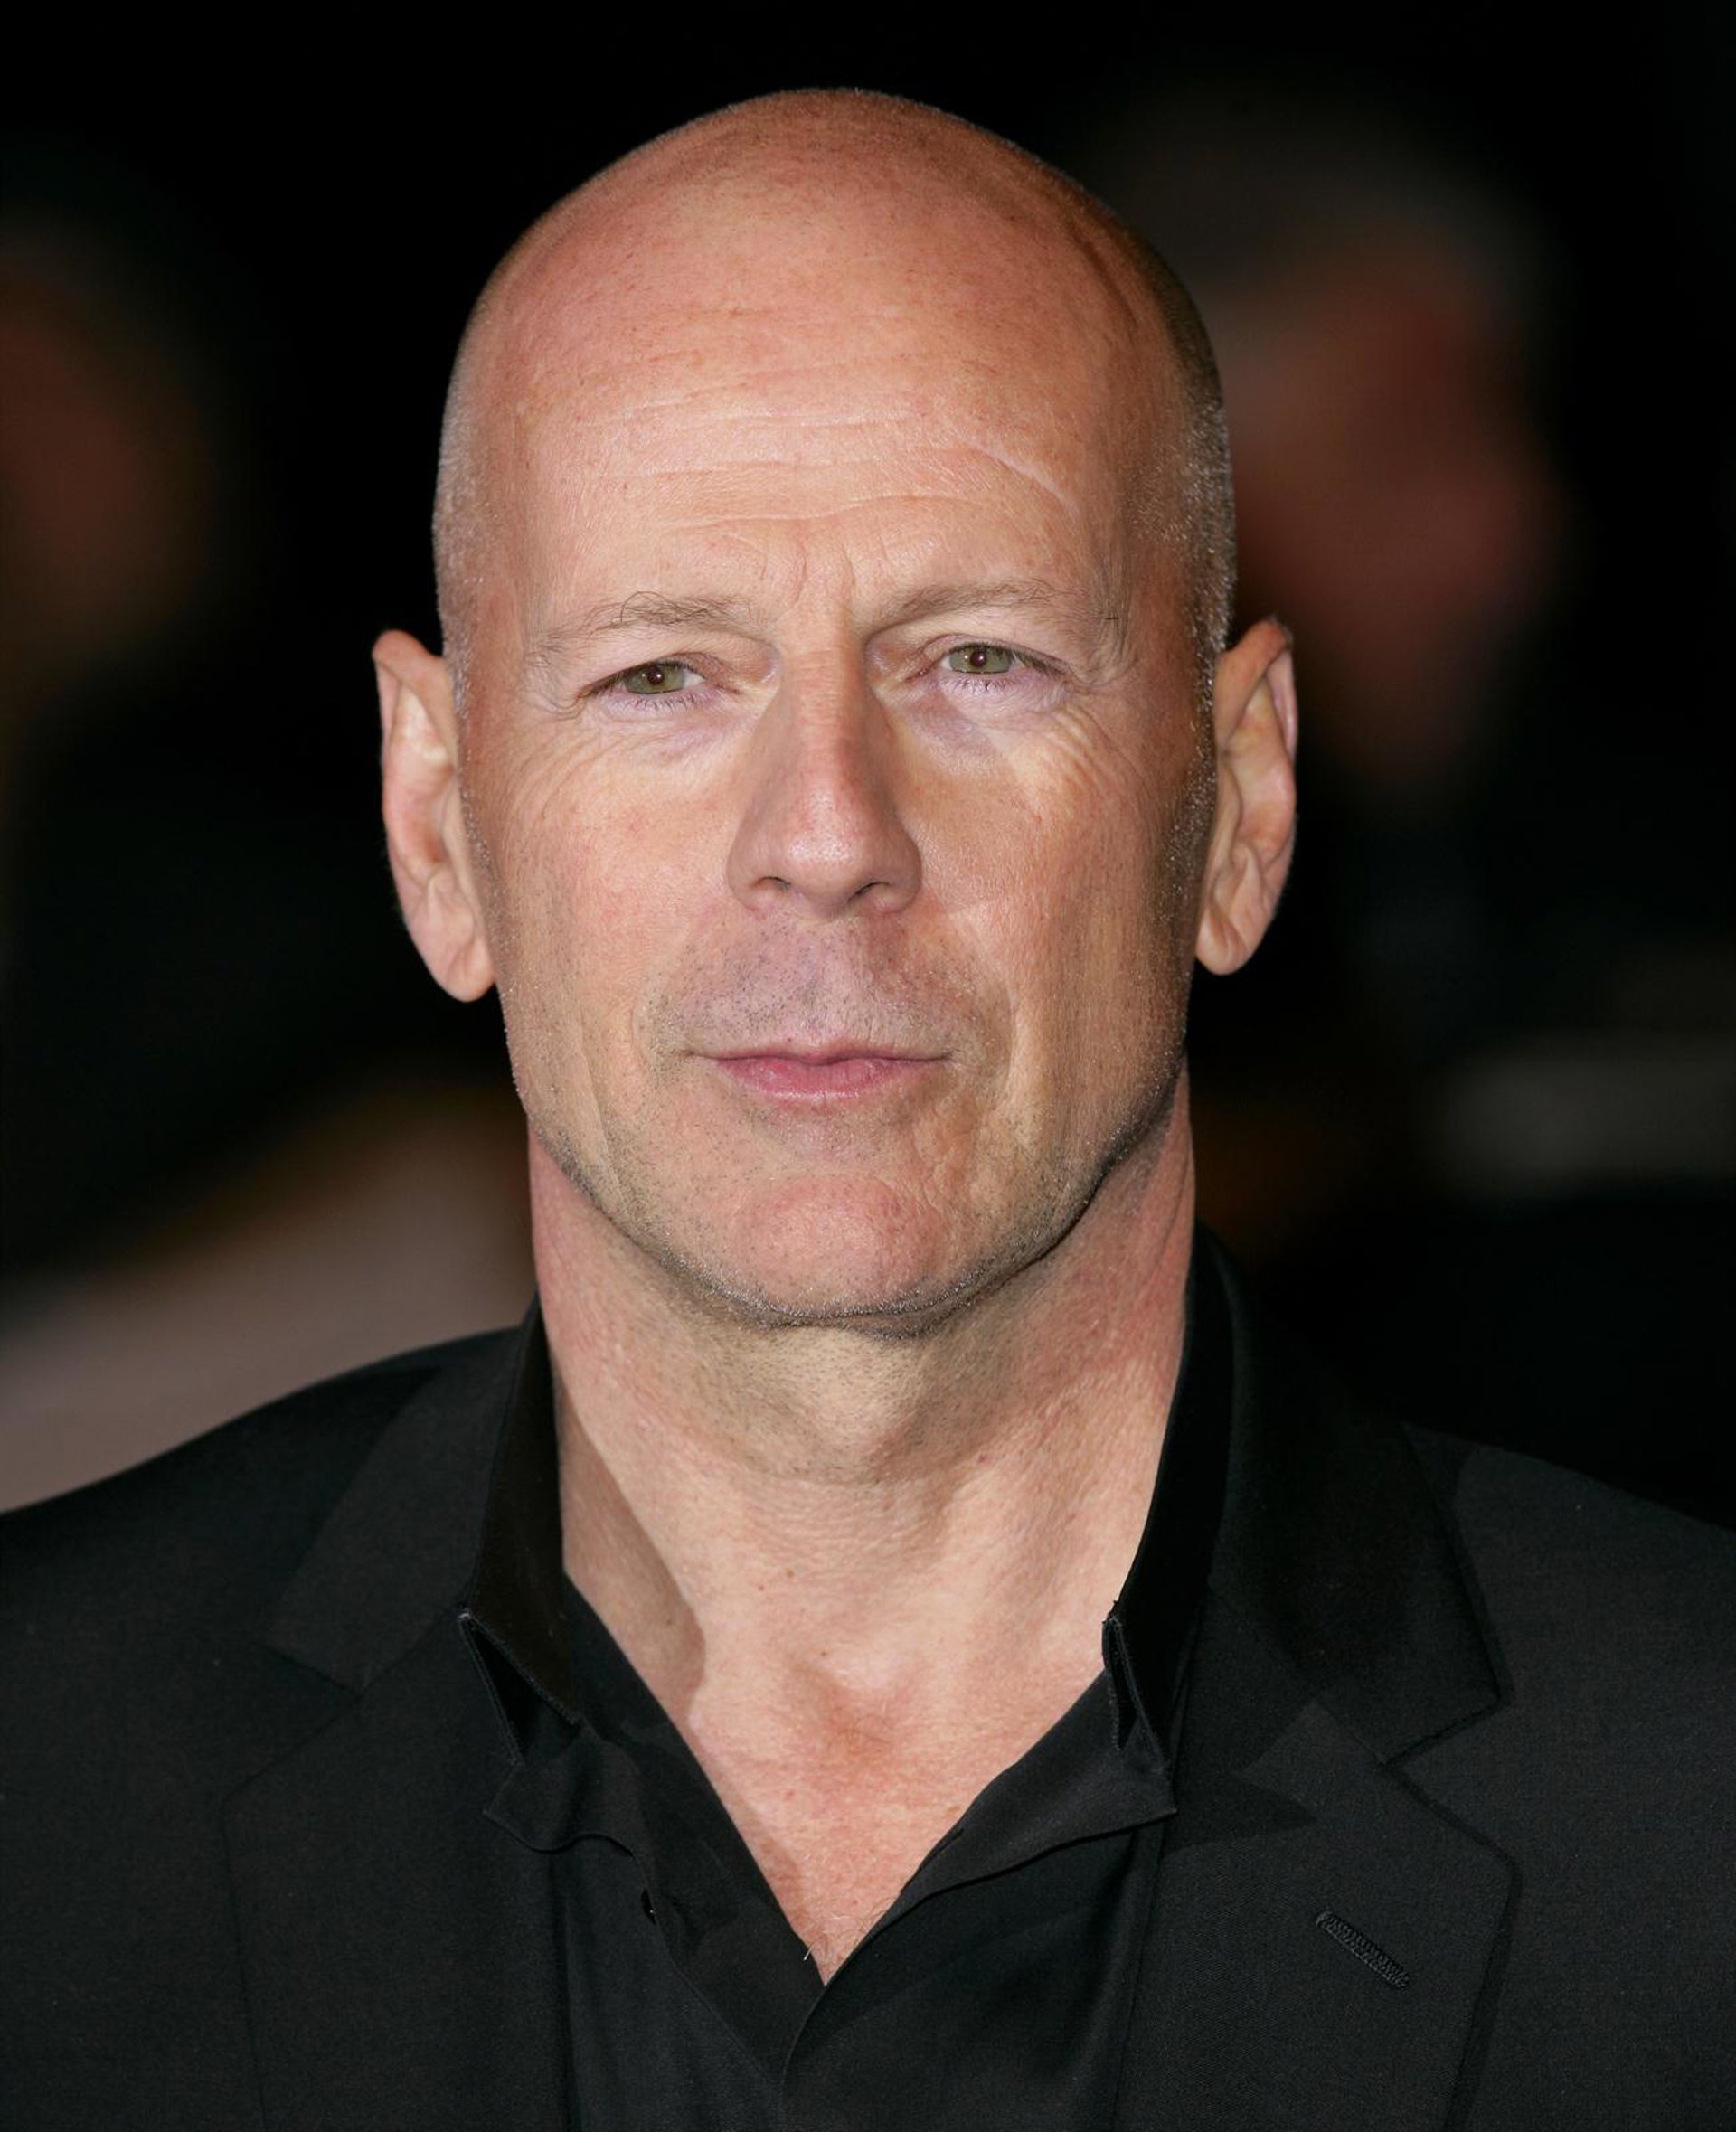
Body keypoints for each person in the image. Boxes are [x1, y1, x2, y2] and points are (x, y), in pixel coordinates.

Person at [3, 90, 1731, 2131]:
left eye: (979, 661)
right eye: (663, 675)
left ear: (1239, 807)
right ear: (439, 824)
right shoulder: (41, 1788)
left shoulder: (1693, 1824)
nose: (826, 836)